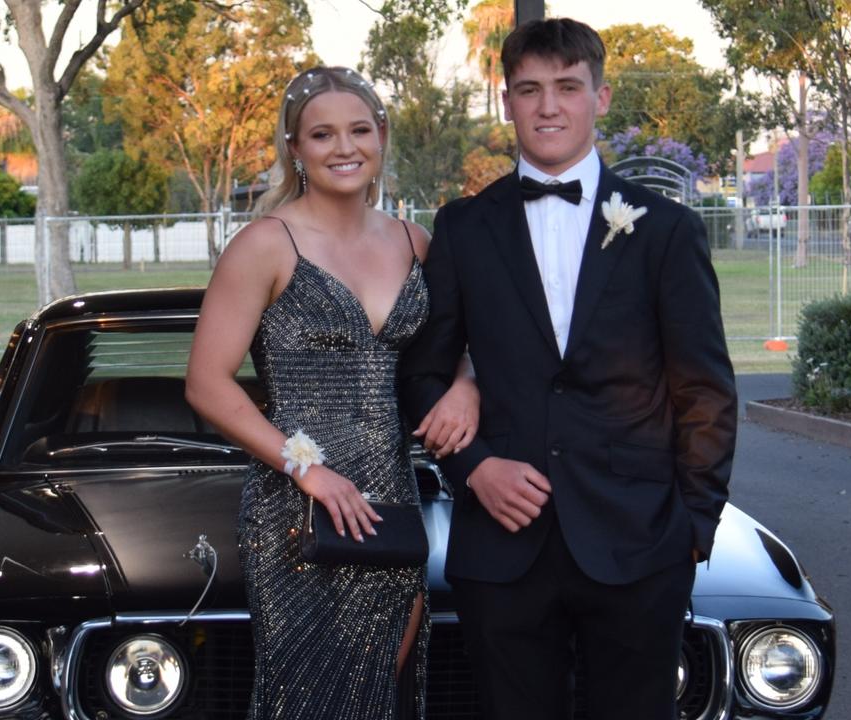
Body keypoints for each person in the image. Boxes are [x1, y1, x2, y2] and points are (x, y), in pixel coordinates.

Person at [400, 18, 738, 720]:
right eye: (528, 90)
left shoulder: (665, 230)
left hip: (640, 545)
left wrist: (691, 530)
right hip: (502, 547)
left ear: (600, 97)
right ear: (506, 103)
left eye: (565, 87)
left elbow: (704, 390)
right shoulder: (463, 227)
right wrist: (475, 468)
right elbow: (421, 376)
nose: (547, 106)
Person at [185, 66, 478, 720]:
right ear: (295, 147)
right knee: (306, 697)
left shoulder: (416, 243)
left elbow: (453, 354)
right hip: (296, 503)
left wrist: (466, 386)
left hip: (389, 501)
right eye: (322, 134)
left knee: (377, 694)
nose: (343, 148)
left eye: (358, 130)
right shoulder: (265, 243)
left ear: (380, 137)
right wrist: (309, 472)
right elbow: (206, 384)